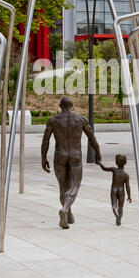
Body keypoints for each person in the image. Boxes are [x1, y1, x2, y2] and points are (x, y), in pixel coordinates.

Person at [41, 96, 102, 229]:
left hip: (60, 156)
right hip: (75, 156)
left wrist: (43, 158)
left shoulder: (53, 121)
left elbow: (46, 140)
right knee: (74, 185)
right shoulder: (81, 119)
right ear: (72, 105)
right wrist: (98, 153)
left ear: (59, 106)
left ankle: (67, 213)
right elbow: (92, 138)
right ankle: (66, 210)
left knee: (63, 187)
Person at [98, 154, 132, 226]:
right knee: (121, 206)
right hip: (121, 190)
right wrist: (129, 196)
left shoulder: (114, 170)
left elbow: (104, 168)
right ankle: (118, 219)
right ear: (125, 162)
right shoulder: (126, 175)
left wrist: (99, 163)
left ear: (116, 162)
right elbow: (127, 186)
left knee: (114, 205)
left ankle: (117, 215)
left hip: (114, 189)